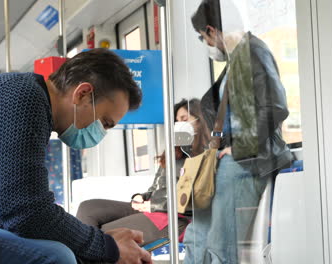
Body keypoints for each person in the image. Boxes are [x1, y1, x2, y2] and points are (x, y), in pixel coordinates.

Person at [0, 48, 152, 264]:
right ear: (82, 94)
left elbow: (11, 210)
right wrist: (108, 248)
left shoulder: (25, 95)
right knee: (58, 257)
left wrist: (98, 242)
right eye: (105, 122)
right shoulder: (23, 99)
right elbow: (26, 212)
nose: (100, 133)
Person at [183, 1, 293, 263]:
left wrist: (239, 147)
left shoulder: (253, 52)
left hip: (246, 163)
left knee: (222, 246)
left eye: (203, 37)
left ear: (211, 30)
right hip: (230, 162)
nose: (206, 43)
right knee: (196, 237)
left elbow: (275, 107)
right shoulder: (237, 58)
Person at [76, 99, 210, 246]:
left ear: (199, 121)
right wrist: (142, 197)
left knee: (106, 233)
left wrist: (153, 206)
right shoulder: (175, 152)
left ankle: (90, 253)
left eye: (184, 119)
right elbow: (156, 188)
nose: (179, 124)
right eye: (176, 121)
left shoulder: (206, 156)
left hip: (174, 216)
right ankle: (88, 253)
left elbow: (197, 201)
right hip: (152, 206)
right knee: (88, 208)